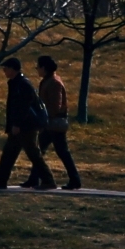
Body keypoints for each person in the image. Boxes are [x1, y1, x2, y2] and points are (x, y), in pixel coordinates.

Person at [0, 57, 50, 190]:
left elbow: (23, 107)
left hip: (26, 127)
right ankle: (0, 180)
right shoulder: (16, 83)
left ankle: (48, 180)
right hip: (20, 126)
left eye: (6, 68)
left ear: (13, 69)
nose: (4, 70)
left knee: (33, 154)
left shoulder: (22, 84)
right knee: (9, 153)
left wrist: (17, 124)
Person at [34, 54, 81, 190]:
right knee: (39, 151)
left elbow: (55, 106)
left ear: (44, 68)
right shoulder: (48, 80)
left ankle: (74, 180)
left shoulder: (54, 83)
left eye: (38, 67)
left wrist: (45, 117)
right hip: (50, 123)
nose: (37, 69)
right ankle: (34, 179)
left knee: (58, 152)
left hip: (53, 124)